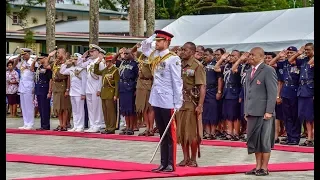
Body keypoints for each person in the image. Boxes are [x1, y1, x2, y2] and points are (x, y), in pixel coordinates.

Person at [141, 30, 183, 172]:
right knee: (161, 133)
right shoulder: (155, 56)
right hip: (157, 98)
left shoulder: (173, 58)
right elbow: (144, 48)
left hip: (168, 100)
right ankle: (163, 162)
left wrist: (178, 102)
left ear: (166, 42)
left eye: (159, 41)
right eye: (156, 40)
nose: (156, 43)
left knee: (169, 133)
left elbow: (177, 81)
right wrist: (152, 36)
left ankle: (171, 163)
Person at [244, 47, 277, 176]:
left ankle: (264, 167)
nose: (250, 57)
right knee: (254, 141)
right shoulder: (248, 72)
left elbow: (272, 92)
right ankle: (257, 166)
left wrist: (269, 111)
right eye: (249, 54)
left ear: (261, 57)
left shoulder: (268, 70)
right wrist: (246, 110)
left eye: (253, 55)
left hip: (264, 113)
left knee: (264, 141)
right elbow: (248, 93)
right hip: (252, 111)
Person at [176, 42, 206, 167]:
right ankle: (185, 158)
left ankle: (193, 159)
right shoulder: (179, 64)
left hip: (191, 104)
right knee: (182, 132)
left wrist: (200, 105)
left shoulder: (197, 66)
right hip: (180, 103)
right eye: (182, 49)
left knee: (192, 133)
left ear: (193, 52)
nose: (183, 51)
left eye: (186, 50)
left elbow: (202, 87)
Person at [269, 47, 300, 145]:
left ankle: (295, 137)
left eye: (292, 52)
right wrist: (279, 55)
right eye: (288, 52)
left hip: (295, 92)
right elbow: (270, 64)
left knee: (295, 116)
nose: (289, 54)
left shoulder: (299, 62)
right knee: (287, 116)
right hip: (285, 92)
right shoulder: (284, 63)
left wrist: (296, 55)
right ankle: (290, 137)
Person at [288, 43, 314, 147]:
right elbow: (290, 61)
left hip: (311, 90)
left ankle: (311, 138)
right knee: (305, 116)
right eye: (305, 50)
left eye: (308, 50)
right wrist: (299, 52)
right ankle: (309, 138)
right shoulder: (303, 60)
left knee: (312, 116)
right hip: (302, 90)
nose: (306, 52)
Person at [214, 50, 242, 141]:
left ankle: (236, 133)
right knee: (228, 114)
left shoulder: (240, 66)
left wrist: (239, 60)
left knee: (235, 115)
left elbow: (234, 70)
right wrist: (222, 59)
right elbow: (216, 68)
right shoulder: (226, 66)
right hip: (226, 92)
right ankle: (229, 132)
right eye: (230, 56)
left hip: (235, 92)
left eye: (234, 56)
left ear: (238, 57)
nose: (231, 57)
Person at [77, 44, 105, 133]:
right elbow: (79, 64)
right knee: (90, 108)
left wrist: (99, 89)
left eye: (92, 52)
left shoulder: (100, 62)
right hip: (89, 87)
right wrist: (83, 56)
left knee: (96, 108)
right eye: (90, 52)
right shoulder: (90, 62)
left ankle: (97, 124)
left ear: (97, 52)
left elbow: (101, 76)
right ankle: (92, 125)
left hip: (96, 87)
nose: (91, 53)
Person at [44, 48, 72, 131]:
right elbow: (46, 66)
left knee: (64, 107)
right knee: (57, 107)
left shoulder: (67, 63)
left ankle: (64, 124)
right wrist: (49, 56)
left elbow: (69, 77)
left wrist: (67, 89)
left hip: (63, 85)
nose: (57, 54)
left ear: (63, 54)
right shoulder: (56, 62)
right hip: (56, 86)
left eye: (58, 53)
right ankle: (60, 124)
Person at [112, 49, 139, 135]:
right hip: (122, 86)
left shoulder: (134, 64)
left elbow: (137, 77)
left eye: (127, 54)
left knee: (130, 109)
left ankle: (131, 127)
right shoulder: (122, 63)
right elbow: (113, 60)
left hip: (130, 86)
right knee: (124, 109)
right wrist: (118, 53)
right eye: (124, 54)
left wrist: (135, 89)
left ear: (131, 54)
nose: (125, 55)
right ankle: (127, 126)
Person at [132, 43, 156, 136]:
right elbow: (132, 52)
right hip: (140, 84)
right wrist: (136, 46)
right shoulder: (141, 56)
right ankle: (147, 127)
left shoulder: (153, 57)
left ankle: (151, 128)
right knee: (142, 107)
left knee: (150, 107)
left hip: (149, 83)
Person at [59, 55, 87, 132]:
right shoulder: (71, 68)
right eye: (73, 59)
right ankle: (76, 125)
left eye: (75, 59)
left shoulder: (82, 69)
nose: (74, 61)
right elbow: (62, 72)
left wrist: (83, 93)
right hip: (73, 92)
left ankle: (80, 126)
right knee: (74, 110)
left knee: (80, 110)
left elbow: (84, 82)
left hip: (79, 92)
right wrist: (65, 63)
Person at [94, 54, 120, 134]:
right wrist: (97, 62)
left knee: (111, 112)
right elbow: (96, 71)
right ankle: (107, 126)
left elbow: (117, 83)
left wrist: (116, 95)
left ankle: (112, 128)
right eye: (106, 61)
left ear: (112, 62)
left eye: (108, 61)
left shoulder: (115, 70)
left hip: (111, 92)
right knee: (105, 111)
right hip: (104, 92)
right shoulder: (105, 70)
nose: (107, 63)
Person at [202, 48, 223, 140]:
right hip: (205, 91)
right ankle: (207, 131)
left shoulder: (215, 65)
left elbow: (220, 79)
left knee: (213, 112)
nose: (204, 57)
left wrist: (219, 91)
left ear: (211, 55)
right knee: (206, 111)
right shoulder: (203, 65)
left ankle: (213, 131)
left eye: (206, 55)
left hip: (213, 90)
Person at [12, 48, 35, 130]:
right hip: (22, 86)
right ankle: (25, 123)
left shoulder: (32, 62)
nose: (23, 56)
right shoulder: (22, 62)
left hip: (29, 85)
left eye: (25, 54)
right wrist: (17, 58)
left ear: (28, 54)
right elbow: (14, 66)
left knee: (29, 106)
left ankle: (30, 123)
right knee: (23, 106)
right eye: (22, 54)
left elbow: (33, 70)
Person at [231, 52, 251, 141]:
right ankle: (246, 133)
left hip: (252, 91)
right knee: (244, 114)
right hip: (243, 90)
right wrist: (240, 60)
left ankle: (249, 134)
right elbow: (233, 69)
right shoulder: (243, 67)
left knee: (250, 114)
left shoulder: (254, 67)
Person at [31, 53, 52, 130]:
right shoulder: (39, 67)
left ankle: (46, 125)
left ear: (45, 58)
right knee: (40, 108)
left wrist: (50, 91)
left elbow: (50, 80)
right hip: (39, 89)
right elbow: (32, 69)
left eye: (41, 58)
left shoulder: (48, 68)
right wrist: (34, 61)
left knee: (45, 108)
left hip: (45, 88)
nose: (39, 60)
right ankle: (43, 125)